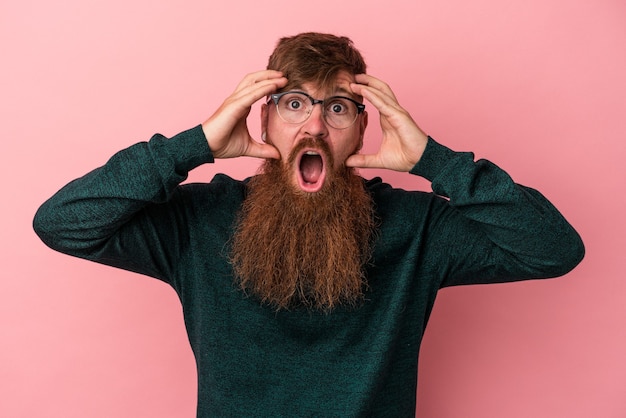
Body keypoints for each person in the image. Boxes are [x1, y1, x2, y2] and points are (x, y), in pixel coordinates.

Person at [33, 32, 584, 417]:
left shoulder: (419, 229)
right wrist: (193, 146)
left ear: (364, 128)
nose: (315, 125)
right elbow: (63, 222)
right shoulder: (198, 221)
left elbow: (554, 249)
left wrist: (435, 162)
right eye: (295, 104)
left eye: (339, 107)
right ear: (263, 117)